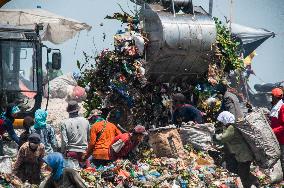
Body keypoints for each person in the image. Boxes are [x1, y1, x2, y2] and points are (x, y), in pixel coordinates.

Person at [215, 111, 257, 188]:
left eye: (221, 121)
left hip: (244, 156)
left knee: (243, 174)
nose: (221, 123)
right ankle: (254, 182)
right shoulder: (231, 126)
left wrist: (217, 131)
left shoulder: (231, 127)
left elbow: (222, 138)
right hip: (242, 155)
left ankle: (252, 184)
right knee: (242, 172)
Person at [60, 101, 90, 167]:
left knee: (71, 175)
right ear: (78, 110)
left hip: (71, 152)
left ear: (68, 111)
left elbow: (64, 141)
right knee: (86, 175)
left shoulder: (64, 123)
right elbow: (89, 139)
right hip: (83, 153)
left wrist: (63, 152)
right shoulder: (86, 121)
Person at [269, 88, 284, 172]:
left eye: (272, 96)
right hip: (276, 139)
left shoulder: (282, 108)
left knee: (282, 160)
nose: (271, 98)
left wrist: (272, 131)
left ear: (275, 97)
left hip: (281, 139)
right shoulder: (275, 106)